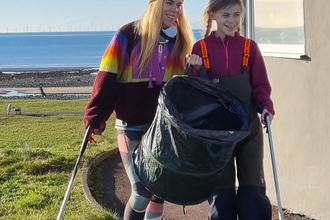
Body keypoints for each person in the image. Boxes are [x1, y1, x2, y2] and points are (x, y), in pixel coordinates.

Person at [83, 0, 195, 219]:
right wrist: (96, 116)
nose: (175, 9)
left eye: (179, 4)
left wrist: (195, 69)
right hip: (130, 125)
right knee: (142, 192)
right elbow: (107, 76)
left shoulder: (183, 41)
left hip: (163, 129)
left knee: (157, 192)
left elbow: (186, 87)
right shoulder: (128, 35)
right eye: (169, 3)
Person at [188, 0, 275, 219]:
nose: (232, 21)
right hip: (216, 136)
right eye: (226, 15)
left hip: (249, 132)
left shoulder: (249, 47)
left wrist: (266, 107)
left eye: (236, 15)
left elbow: (260, 86)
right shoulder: (201, 48)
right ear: (212, 16)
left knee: (253, 187)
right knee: (221, 191)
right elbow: (197, 92)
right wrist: (196, 70)